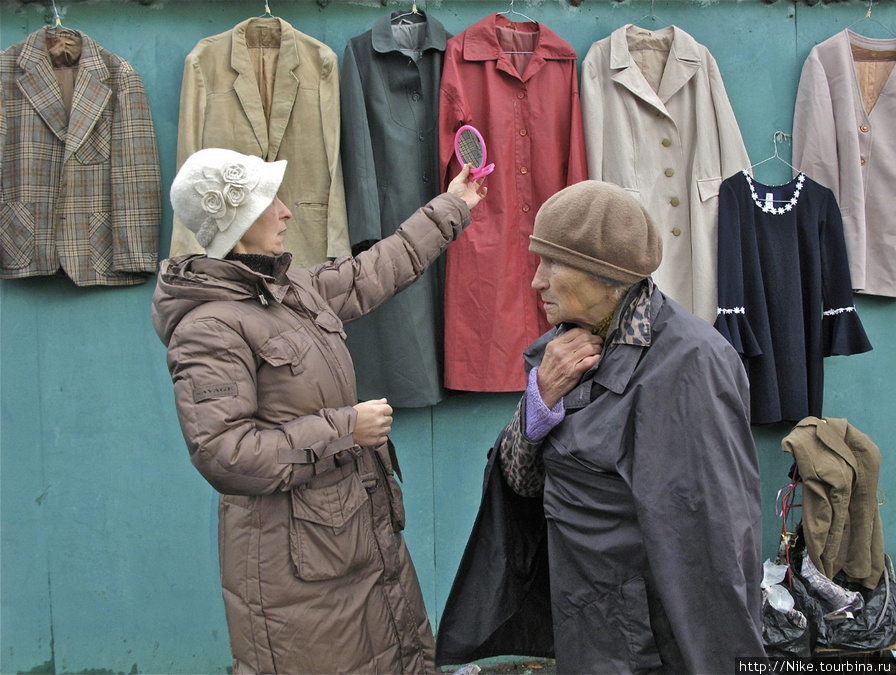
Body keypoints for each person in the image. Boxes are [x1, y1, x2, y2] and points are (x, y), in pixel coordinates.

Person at [151, 148, 486, 674]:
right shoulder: (208, 329)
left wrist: (453, 205)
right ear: (238, 223)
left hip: (349, 534)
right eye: (271, 201)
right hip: (294, 564)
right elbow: (224, 454)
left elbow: (375, 269)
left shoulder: (288, 292)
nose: (287, 212)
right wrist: (345, 428)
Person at [436, 180, 766, 674]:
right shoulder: (564, 352)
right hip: (583, 620)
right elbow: (523, 483)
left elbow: (713, 539)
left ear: (605, 276)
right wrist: (540, 401)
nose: (536, 281)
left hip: (645, 640)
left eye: (552, 263)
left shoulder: (690, 364)